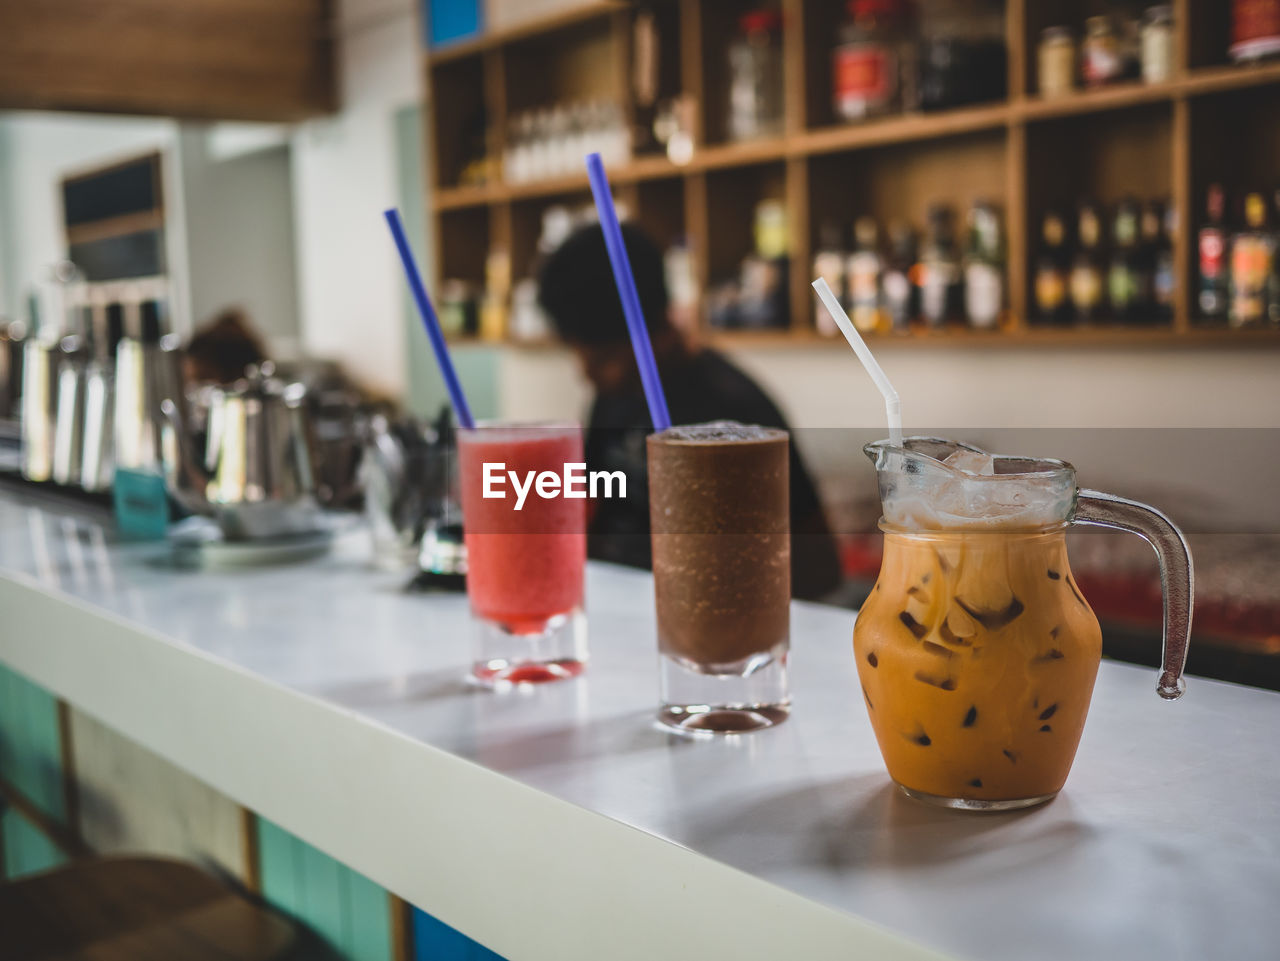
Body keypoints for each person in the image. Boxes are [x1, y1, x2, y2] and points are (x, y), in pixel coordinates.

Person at [538, 223, 843, 601]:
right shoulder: (613, 397)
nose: (586, 375)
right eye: (578, 353)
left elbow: (817, 568)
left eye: (604, 358)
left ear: (657, 328)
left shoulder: (735, 410)